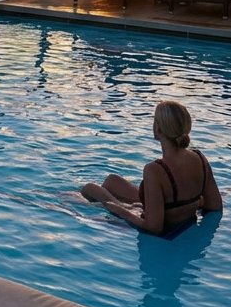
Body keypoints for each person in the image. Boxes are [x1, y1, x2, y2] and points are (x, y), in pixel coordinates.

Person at [79, 101, 223, 236]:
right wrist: (191, 204)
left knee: (90, 188)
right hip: (172, 209)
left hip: (159, 219)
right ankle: (122, 203)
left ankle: (62, 205)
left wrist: (121, 211)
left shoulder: (155, 169)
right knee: (112, 180)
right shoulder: (200, 158)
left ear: (158, 129)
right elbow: (215, 205)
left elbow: (154, 227)